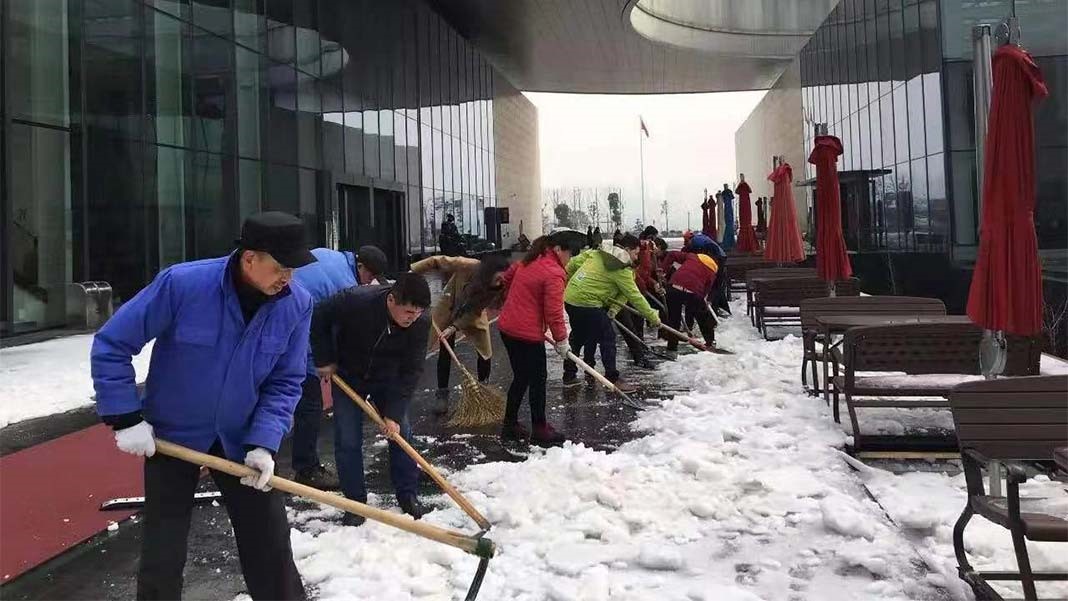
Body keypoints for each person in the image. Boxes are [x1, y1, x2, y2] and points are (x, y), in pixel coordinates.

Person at [91, 211, 314, 600]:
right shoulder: (184, 285)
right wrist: (125, 417)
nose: (288, 278)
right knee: (164, 548)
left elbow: (285, 381)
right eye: (280, 267)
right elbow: (113, 343)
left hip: (242, 438)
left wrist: (264, 442)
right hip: (172, 436)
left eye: (293, 269)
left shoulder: (296, 304)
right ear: (250, 259)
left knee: (270, 543)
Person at [310, 273, 432, 525]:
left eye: (418, 312)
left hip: (389, 377)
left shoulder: (420, 322)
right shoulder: (356, 301)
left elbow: (412, 370)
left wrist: (394, 414)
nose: (413, 317)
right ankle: (355, 503)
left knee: (402, 434)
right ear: (391, 300)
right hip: (348, 373)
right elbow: (319, 315)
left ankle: (407, 494)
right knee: (347, 438)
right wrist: (324, 359)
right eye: (409, 311)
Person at [497, 230, 584, 445]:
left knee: (521, 377)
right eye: (570, 254)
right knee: (537, 380)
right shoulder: (553, 272)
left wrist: (519, 301)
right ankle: (539, 429)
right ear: (558, 249)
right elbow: (554, 313)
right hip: (525, 334)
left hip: (508, 327)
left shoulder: (531, 259)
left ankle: (509, 424)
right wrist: (562, 341)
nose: (569, 259)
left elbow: (507, 277)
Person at [289, 247, 362, 490]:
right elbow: (332, 330)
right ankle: (306, 468)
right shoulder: (347, 286)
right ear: (362, 268)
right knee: (310, 405)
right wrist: (325, 362)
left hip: (282, 328)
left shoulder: (329, 254)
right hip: (295, 341)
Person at [410, 253, 510, 413]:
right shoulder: (468, 265)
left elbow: (474, 312)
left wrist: (455, 327)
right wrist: (413, 271)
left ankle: (483, 389)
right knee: (444, 348)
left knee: (485, 351)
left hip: (472, 312)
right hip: (448, 305)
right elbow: (437, 261)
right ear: (490, 271)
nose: (500, 282)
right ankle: (442, 395)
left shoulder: (496, 288)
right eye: (499, 278)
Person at [562, 233, 661, 388]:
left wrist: (573, 283)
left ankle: (569, 375)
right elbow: (635, 297)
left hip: (571, 299)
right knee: (608, 337)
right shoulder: (621, 267)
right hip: (589, 303)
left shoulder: (597, 252)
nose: (636, 258)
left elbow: (572, 264)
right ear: (627, 250)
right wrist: (653, 317)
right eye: (635, 253)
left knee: (578, 336)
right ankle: (612, 378)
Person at [659, 242, 720, 355]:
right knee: (702, 317)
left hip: (674, 287)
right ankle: (710, 343)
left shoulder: (692, 257)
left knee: (674, 319)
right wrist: (703, 303)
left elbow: (672, 254)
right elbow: (706, 291)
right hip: (694, 292)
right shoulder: (712, 272)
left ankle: (672, 347)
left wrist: (663, 270)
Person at [721, 183, 736, 251]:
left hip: (729, 207)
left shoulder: (729, 191)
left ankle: (730, 240)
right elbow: (722, 200)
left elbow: (732, 197)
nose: (725, 187)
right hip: (727, 208)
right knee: (728, 222)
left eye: (726, 186)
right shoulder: (723, 192)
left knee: (730, 221)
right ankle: (728, 241)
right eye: (724, 186)